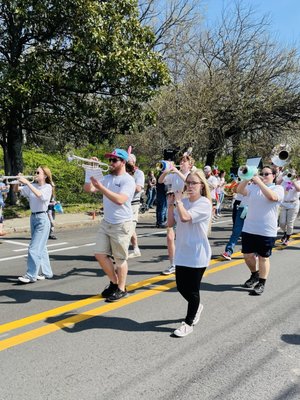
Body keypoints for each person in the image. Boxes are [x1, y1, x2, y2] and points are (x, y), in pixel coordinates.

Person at [83, 148, 136, 302]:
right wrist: (90, 170)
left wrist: (101, 187)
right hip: (107, 222)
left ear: (123, 162)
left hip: (121, 224)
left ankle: (121, 288)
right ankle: (114, 283)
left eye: (114, 160)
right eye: (110, 160)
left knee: (120, 260)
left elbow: (120, 199)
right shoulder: (106, 178)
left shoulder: (128, 180)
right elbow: (89, 189)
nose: (111, 163)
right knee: (99, 254)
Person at [167, 169, 212, 337]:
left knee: (192, 291)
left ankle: (188, 323)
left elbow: (186, 218)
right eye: (188, 183)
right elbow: (170, 223)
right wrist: (171, 203)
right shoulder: (183, 202)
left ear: (201, 185)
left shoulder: (204, 203)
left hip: (197, 254)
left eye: (194, 183)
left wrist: (178, 202)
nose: (190, 186)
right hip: (182, 252)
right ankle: (197, 306)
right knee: (181, 287)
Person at [237, 166, 284, 295]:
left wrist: (259, 181)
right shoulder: (253, 187)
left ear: (273, 176)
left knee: (263, 257)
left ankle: (262, 283)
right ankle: (254, 275)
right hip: (249, 228)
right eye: (262, 173)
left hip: (266, 230)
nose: (263, 175)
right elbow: (239, 190)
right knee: (247, 256)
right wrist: (247, 178)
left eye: (267, 174)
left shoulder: (278, 188)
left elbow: (272, 197)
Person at [16, 167, 54, 283]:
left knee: (34, 248)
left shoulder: (48, 187)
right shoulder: (33, 186)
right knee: (41, 248)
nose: (35, 174)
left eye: (38, 172)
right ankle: (47, 273)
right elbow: (17, 190)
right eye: (35, 172)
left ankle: (31, 275)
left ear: (45, 176)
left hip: (43, 218)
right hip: (33, 218)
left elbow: (41, 196)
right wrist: (17, 180)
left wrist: (27, 182)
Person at [159, 154, 195, 275]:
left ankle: (187, 262)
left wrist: (175, 171)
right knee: (169, 237)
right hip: (173, 207)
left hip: (185, 208)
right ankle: (173, 264)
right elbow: (160, 181)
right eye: (181, 161)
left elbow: (187, 182)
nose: (182, 163)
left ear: (190, 164)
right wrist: (166, 171)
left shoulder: (191, 175)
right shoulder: (174, 175)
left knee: (183, 238)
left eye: (184, 161)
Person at [127, 153, 145, 258]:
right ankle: (136, 249)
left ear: (133, 162)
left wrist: (126, 182)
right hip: (123, 203)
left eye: (128, 161)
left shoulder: (139, 173)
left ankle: (129, 250)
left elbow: (138, 188)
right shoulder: (123, 172)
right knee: (128, 228)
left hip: (133, 203)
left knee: (130, 227)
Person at [221, 192, 248, 261]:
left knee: (251, 232)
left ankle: (253, 251)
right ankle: (228, 251)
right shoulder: (246, 183)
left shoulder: (261, 185)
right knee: (236, 230)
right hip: (242, 207)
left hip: (254, 209)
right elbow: (236, 190)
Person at [277, 169, 300, 245]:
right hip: (283, 204)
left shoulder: (298, 182)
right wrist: (283, 176)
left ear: (295, 175)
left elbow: (298, 189)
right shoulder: (284, 181)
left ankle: (287, 238)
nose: (290, 175)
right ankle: (286, 233)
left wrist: (293, 181)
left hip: (293, 204)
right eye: (289, 174)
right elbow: (277, 184)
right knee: (282, 223)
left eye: (292, 174)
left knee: (290, 223)